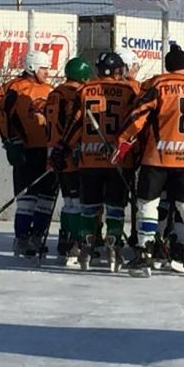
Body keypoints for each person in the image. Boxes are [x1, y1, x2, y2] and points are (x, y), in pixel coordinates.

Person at [113, 44, 184, 277]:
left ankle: (145, 252)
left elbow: (139, 114)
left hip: (157, 156)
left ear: (168, 67)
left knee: (148, 204)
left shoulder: (157, 84)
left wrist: (124, 140)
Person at [64, 52, 141, 272]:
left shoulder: (85, 90)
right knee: (115, 208)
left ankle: (87, 247)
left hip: (89, 160)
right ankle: (114, 246)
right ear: (118, 70)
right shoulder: (130, 90)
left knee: (89, 208)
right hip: (118, 160)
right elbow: (136, 122)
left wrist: (63, 148)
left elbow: (75, 124)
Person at [0, 50, 56, 261]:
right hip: (26, 150)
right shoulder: (15, 88)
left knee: (46, 197)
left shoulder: (50, 90)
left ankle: (37, 236)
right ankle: (21, 237)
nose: (47, 72)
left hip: (47, 150)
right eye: (44, 68)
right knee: (27, 198)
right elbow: (2, 116)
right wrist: (10, 142)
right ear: (32, 67)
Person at [46, 57, 92, 266]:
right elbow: (74, 123)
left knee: (68, 202)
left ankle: (65, 242)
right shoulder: (74, 95)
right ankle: (75, 244)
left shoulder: (54, 93)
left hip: (55, 152)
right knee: (78, 202)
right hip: (71, 152)